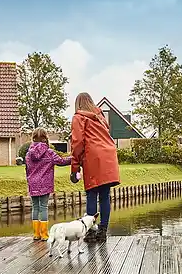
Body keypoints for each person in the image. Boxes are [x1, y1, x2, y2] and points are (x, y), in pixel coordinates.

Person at [70, 92, 120, 243]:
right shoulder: (100, 118)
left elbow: (77, 143)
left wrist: (74, 168)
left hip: (93, 157)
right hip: (109, 157)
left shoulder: (78, 118)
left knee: (91, 193)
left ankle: (91, 232)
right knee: (105, 196)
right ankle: (103, 231)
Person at [25, 128, 72, 240]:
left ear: (33, 138)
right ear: (46, 138)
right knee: (44, 207)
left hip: (33, 183)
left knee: (35, 207)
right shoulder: (49, 153)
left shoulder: (28, 154)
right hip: (45, 184)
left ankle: (36, 234)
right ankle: (45, 235)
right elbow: (61, 161)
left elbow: (26, 169)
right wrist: (74, 158)